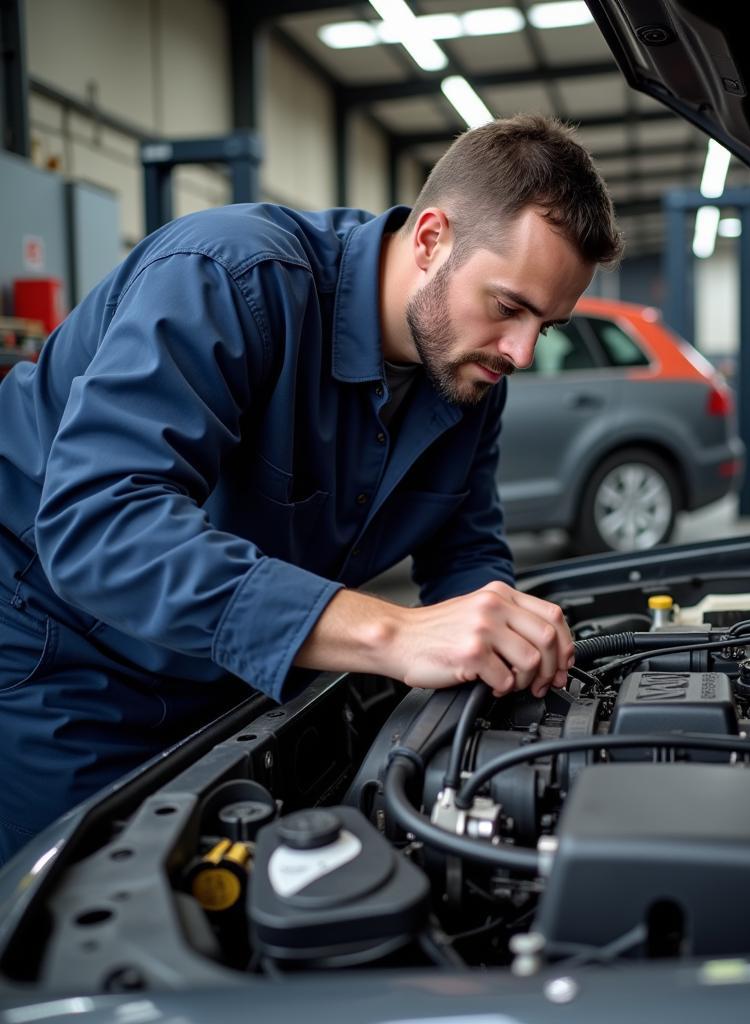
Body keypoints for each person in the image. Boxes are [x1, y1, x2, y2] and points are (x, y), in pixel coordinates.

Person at [0, 114, 621, 862]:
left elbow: (466, 548)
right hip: (63, 666)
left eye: (544, 327)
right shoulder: (229, 278)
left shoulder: (466, 377)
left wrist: (504, 647)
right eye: (508, 307)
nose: (520, 351)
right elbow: (102, 525)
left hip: (234, 680)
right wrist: (393, 634)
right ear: (430, 240)